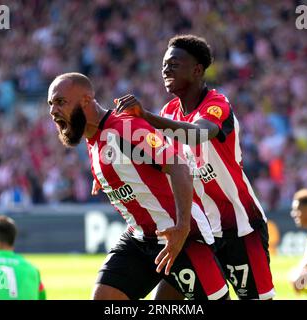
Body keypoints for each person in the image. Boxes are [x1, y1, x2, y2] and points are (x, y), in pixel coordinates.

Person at [115, 34, 275, 300]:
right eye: (164, 64)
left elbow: (198, 134)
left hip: (239, 228)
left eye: (174, 64)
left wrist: (145, 116)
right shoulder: (168, 113)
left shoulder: (216, 104)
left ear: (197, 70)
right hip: (198, 232)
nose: (166, 69)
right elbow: (155, 162)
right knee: (165, 302)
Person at [47, 72, 228, 300]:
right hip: (141, 237)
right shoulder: (94, 139)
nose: (53, 111)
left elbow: (179, 167)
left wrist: (182, 229)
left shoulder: (124, 128)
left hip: (181, 236)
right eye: (50, 104)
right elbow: (130, 165)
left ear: (86, 100)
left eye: (60, 102)